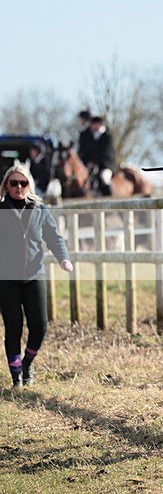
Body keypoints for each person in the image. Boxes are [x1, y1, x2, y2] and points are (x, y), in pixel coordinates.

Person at [0, 164, 73, 388]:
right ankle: (16, 378)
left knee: (40, 326)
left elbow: (54, 236)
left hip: (34, 275)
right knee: (13, 328)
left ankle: (27, 364)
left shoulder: (40, 210)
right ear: (6, 185)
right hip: (7, 279)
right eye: (14, 183)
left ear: (29, 185)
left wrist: (63, 257)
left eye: (23, 183)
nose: (19, 187)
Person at [85, 116, 116, 196]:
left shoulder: (107, 137)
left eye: (94, 124)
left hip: (106, 165)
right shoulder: (90, 137)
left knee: (104, 177)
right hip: (93, 165)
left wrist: (95, 162)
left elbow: (105, 153)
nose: (92, 126)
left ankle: (109, 197)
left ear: (99, 125)